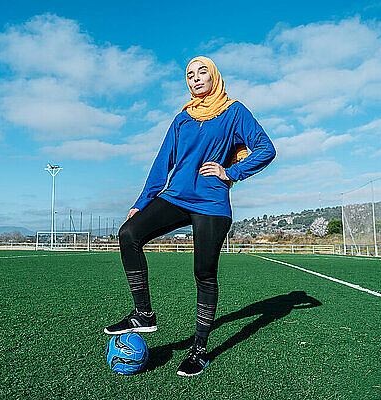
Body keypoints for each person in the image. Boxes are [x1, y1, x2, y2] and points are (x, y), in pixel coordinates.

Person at [104, 56, 276, 377]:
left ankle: (199, 348)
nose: (195, 79)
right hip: (176, 197)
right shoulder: (182, 117)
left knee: (204, 272)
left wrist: (231, 172)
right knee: (129, 234)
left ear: (214, 76)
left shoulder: (234, 111)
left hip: (211, 203)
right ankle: (143, 314)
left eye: (201, 73)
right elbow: (162, 161)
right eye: (189, 75)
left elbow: (265, 149)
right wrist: (143, 201)